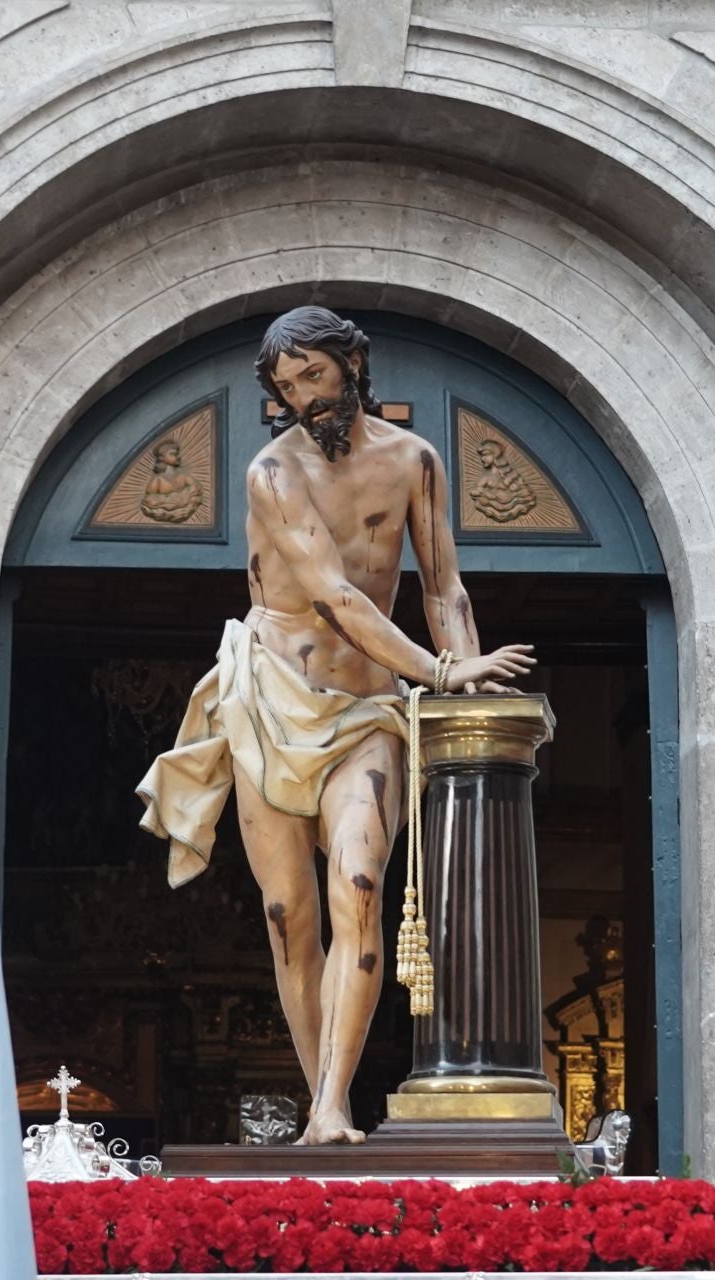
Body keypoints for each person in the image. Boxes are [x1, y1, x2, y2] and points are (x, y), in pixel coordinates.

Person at [138, 306, 534, 1144]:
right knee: (288, 915)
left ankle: (329, 1106)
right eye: (287, 387)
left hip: (365, 710)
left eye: (313, 375)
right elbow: (333, 595)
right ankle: (322, 1097)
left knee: (358, 886)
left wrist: (464, 687)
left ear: (353, 363)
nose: (303, 398)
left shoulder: (415, 461)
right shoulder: (272, 473)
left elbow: (442, 588)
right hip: (271, 700)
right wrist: (439, 672)